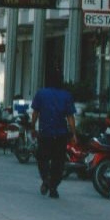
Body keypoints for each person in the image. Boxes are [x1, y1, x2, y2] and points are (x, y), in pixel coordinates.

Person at [31, 69, 77, 199]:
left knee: (42, 158)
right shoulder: (66, 95)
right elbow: (70, 117)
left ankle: (46, 178)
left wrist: (32, 127)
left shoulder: (41, 94)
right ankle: (53, 187)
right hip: (60, 133)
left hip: (45, 132)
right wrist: (74, 133)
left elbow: (35, 113)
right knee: (58, 162)